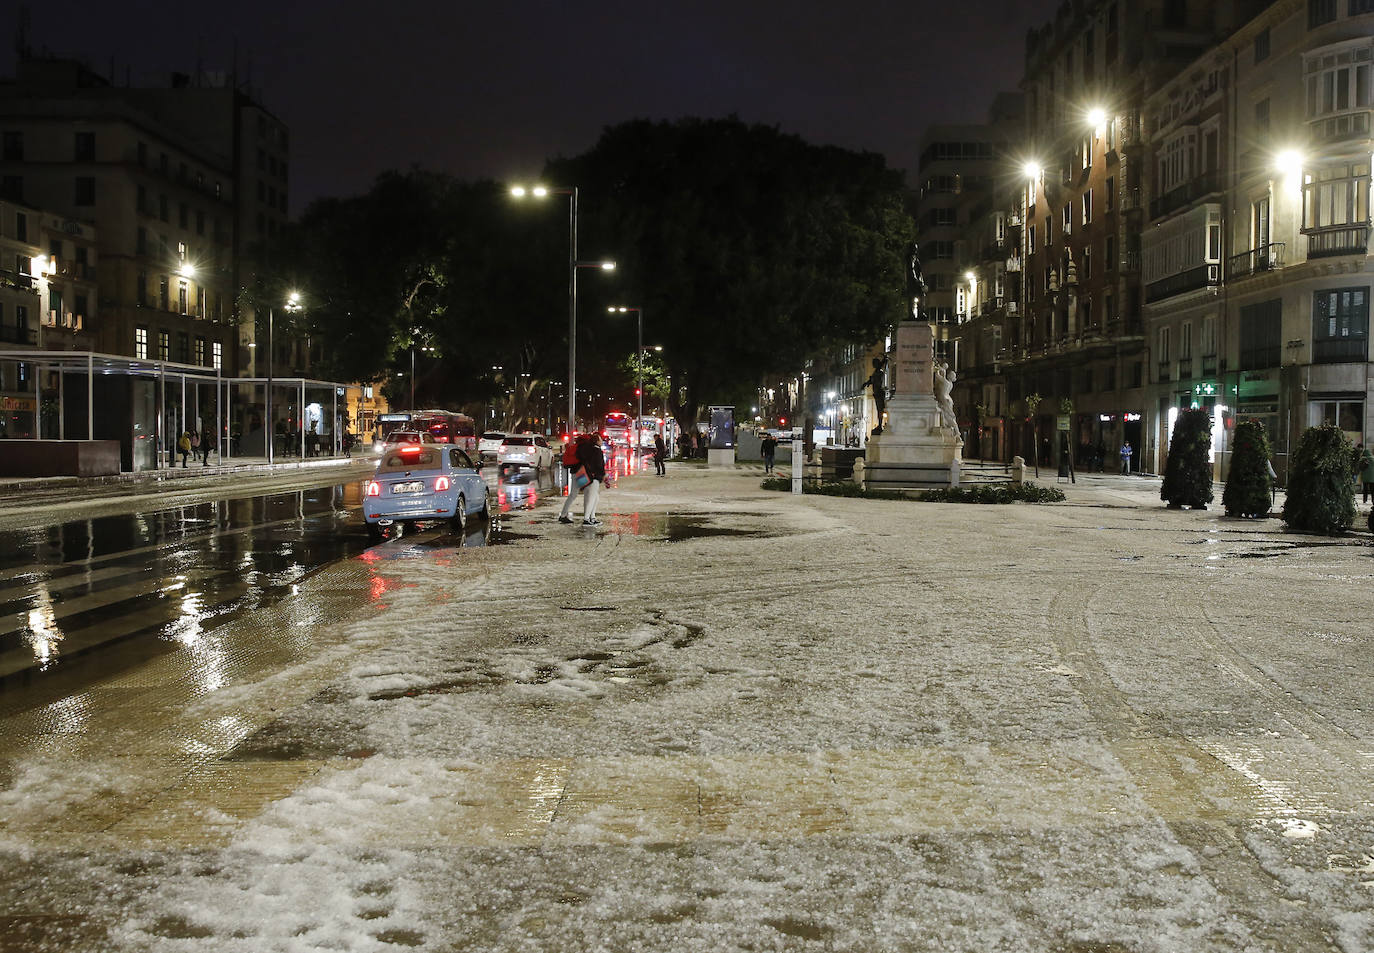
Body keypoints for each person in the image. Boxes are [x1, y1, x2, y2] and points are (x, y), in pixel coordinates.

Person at [865, 357, 889, 435]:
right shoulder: (876, 372)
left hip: (879, 393)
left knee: (880, 410)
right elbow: (872, 380)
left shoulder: (879, 372)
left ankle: (880, 425)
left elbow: (876, 381)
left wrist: (869, 383)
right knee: (879, 410)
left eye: (874, 363)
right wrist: (866, 384)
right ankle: (880, 425)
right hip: (877, 393)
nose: (873, 365)